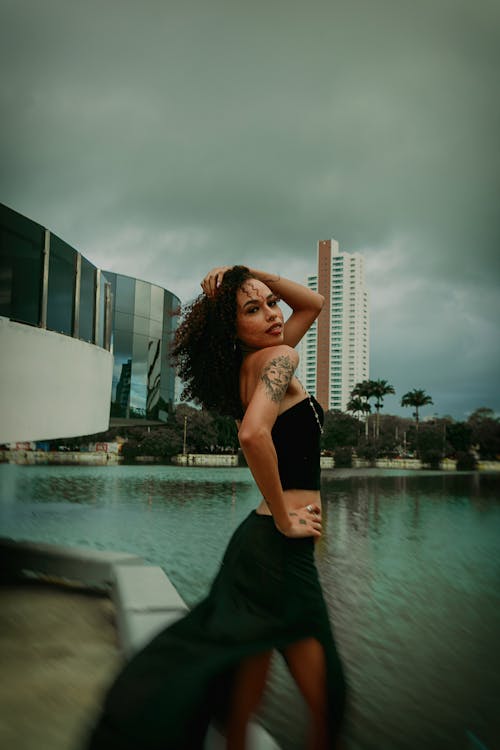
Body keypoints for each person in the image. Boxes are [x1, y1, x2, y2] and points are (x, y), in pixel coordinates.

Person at [86, 265, 346, 750]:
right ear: (232, 328)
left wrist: (246, 273)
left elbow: (311, 303)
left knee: (247, 678)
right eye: (254, 309)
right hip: (280, 553)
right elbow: (253, 435)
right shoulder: (279, 359)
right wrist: (286, 517)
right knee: (330, 703)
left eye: (271, 302)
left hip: (260, 549)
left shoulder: (253, 363)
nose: (272, 314)